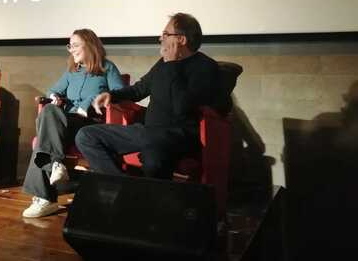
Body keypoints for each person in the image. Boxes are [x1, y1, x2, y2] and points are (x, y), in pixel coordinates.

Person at [75, 13, 229, 179]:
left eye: (165, 34)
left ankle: (134, 193)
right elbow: (139, 89)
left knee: (153, 159)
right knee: (86, 136)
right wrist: (111, 95)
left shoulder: (205, 67)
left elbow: (182, 108)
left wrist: (172, 65)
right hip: (148, 133)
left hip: (178, 135)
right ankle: (122, 187)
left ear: (181, 40)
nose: (160, 38)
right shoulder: (163, 64)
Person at [22, 29, 125, 218]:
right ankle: (55, 166)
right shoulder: (72, 72)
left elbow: (120, 92)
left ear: (90, 45)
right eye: (70, 46)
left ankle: (45, 198)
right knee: (50, 110)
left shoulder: (106, 68)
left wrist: (90, 101)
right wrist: (55, 97)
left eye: (75, 45)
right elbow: (53, 90)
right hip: (65, 121)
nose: (72, 50)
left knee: (45, 136)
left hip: (89, 124)